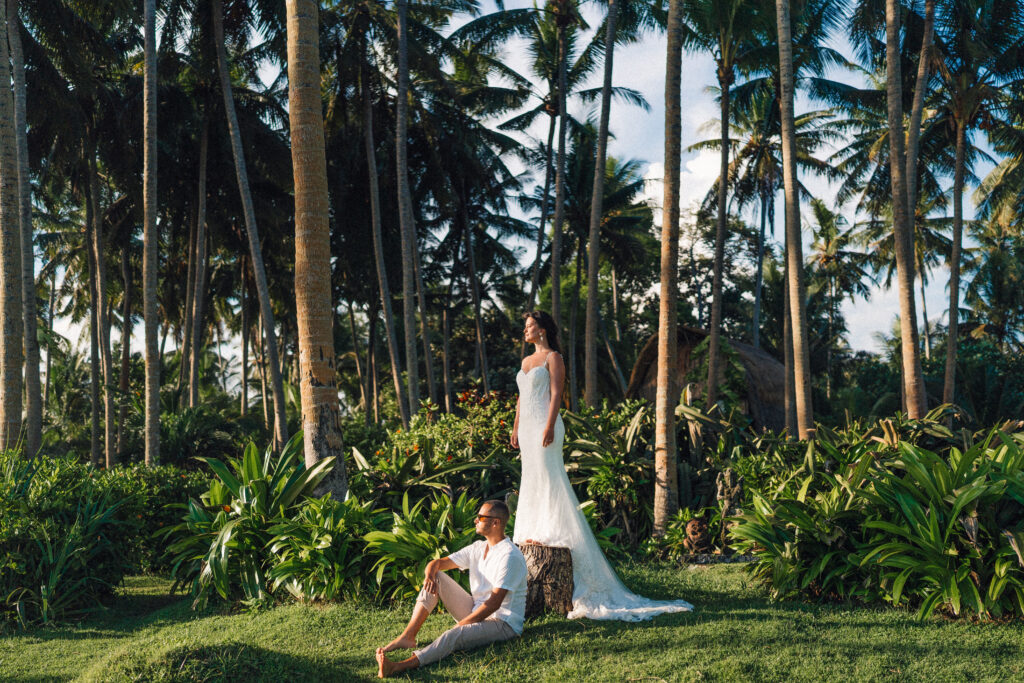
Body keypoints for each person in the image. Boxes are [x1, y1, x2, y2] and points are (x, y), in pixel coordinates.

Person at [512, 310, 693, 621]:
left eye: (529, 326)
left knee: (549, 477)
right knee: (531, 478)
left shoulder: (553, 358)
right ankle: (534, 533)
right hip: (527, 429)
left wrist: (550, 425)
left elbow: (556, 394)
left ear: (542, 329)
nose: (525, 330)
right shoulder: (526, 361)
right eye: (525, 326)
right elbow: (521, 398)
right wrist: (516, 427)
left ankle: (554, 535)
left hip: (545, 425)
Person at [375, 500, 527, 678]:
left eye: (480, 517)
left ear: (495, 523)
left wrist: (461, 625)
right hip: (476, 609)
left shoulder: (509, 556)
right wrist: (429, 576)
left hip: (502, 623)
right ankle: (408, 636)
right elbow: (437, 563)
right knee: (437, 577)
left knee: (454, 635)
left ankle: (397, 667)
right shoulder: (478, 547)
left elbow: (494, 604)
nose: (475, 520)